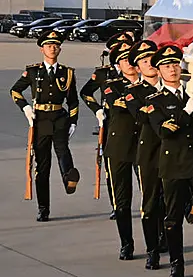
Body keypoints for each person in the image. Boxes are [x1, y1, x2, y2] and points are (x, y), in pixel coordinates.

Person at [144, 46, 193, 277]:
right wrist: (188, 109)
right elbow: (164, 132)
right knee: (172, 218)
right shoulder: (154, 101)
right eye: (167, 66)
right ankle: (176, 263)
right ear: (159, 71)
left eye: (175, 65)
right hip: (174, 163)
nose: (172, 69)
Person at [10, 30, 80, 222]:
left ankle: (69, 178)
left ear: (60, 49)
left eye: (56, 45)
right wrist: (25, 108)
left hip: (59, 118)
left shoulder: (67, 73)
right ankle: (43, 208)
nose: (53, 48)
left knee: (63, 151)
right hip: (39, 119)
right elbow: (15, 90)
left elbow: (73, 101)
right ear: (42, 49)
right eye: (49, 45)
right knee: (43, 166)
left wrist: (73, 122)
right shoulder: (33, 71)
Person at [123, 40, 167, 270]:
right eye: (143, 60)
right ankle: (152, 250)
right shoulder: (133, 92)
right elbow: (140, 117)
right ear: (137, 68)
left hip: (175, 152)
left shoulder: (172, 86)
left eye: (152, 58)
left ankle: (166, 240)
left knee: (171, 201)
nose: (149, 63)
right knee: (150, 204)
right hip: (149, 152)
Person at [80, 32, 134, 218]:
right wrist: (97, 110)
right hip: (111, 122)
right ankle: (116, 204)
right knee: (113, 169)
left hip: (135, 123)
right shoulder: (104, 73)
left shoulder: (139, 72)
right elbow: (86, 93)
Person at [101, 41, 142, 260]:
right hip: (119, 147)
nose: (130, 63)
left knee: (153, 196)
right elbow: (120, 104)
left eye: (132, 59)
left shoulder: (149, 84)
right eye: (124, 60)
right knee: (122, 200)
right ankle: (126, 243)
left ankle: (160, 238)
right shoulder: (112, 85)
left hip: (144, 146)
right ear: (118, 63)